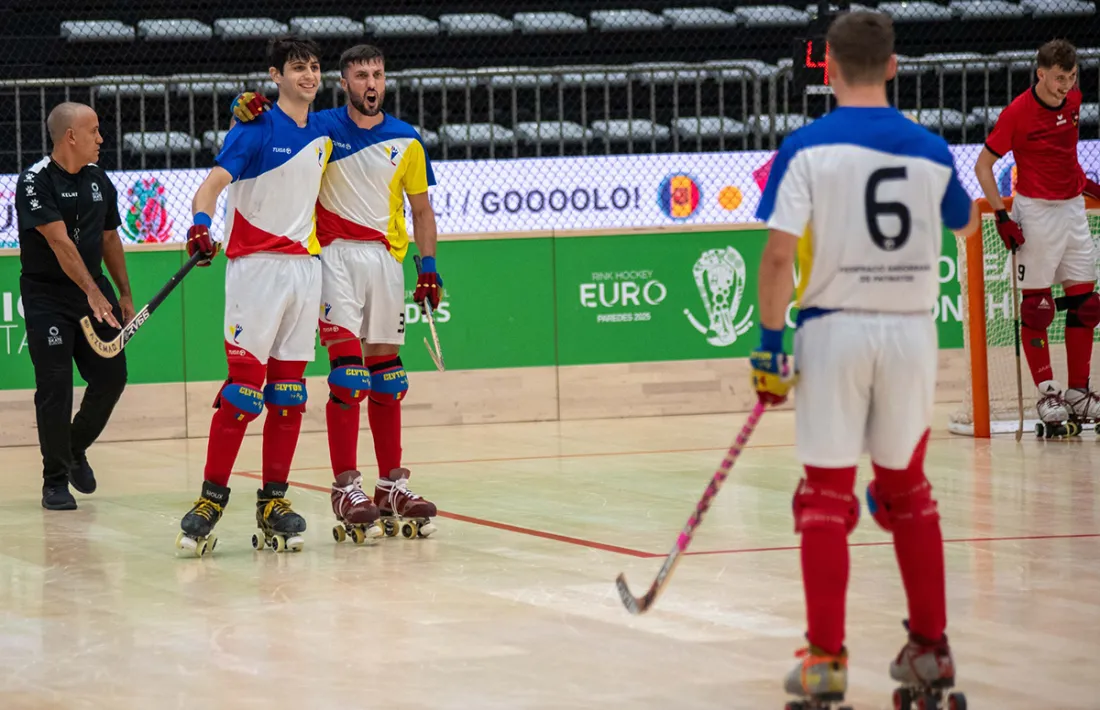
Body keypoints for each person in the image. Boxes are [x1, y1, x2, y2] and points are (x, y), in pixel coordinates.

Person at [750, 11, 978, 707]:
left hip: (834, 331)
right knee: (907, 492)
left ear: (826, 67)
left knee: (824, 496)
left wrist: (769, 348)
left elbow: (779, 257)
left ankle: (825, 661)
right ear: (893, 66)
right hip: (911, 333)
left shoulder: (805, 148)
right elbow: (967, 223)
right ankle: (931, 651)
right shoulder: (931, 148)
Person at [232, 43, 440, 541]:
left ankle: (391, 485)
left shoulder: (408, 139)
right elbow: (279, 122)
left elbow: (422, 210)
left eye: (378, 75)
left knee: (389, 379)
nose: (371, 84)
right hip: (332, 257)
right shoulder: (322, 126)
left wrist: (428, 267)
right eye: (361, 76)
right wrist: (244, 105)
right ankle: (346, 487)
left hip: (385, 260)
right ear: (343, 83)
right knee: (348, 378)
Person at [174, 35, 331, 556]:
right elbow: (211, 186)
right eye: (297, 67)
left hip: (306, 271)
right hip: (255, 270)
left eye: (314, 67)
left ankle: (273, 502)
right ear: (275, 75)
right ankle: (210, 500)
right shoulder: (254, 125)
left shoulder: (326, 129)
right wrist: (200, 225)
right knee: (244, 393)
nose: (309, 75)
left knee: (289, 394)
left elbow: (367, 121)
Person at [975, 39, 1100, 432]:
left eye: (1072, 77)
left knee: (1088, 305)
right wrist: (1001, 215)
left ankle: (1079, 392)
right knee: (1038, 309)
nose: (1066, 86)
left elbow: (1065, 155)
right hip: (1036, 212)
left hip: (1072, 209)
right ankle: (1048, 393)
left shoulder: (1074, 100)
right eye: (1059, 78)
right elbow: (982, 166)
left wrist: (1086, 185)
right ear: (1040, 74)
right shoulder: (1017, 114)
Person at [15, 101, 133, 511]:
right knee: (56, 385)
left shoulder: (99, 178)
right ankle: (54, 481)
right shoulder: (34, 181)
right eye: (94, 130)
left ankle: (73, 447)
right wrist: (92, 292)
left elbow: (109, 238)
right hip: (47, 295)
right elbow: (60, 242)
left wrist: (123, 294)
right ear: (71, 136)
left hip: (93, 290)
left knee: (112, 376)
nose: (101, 138)